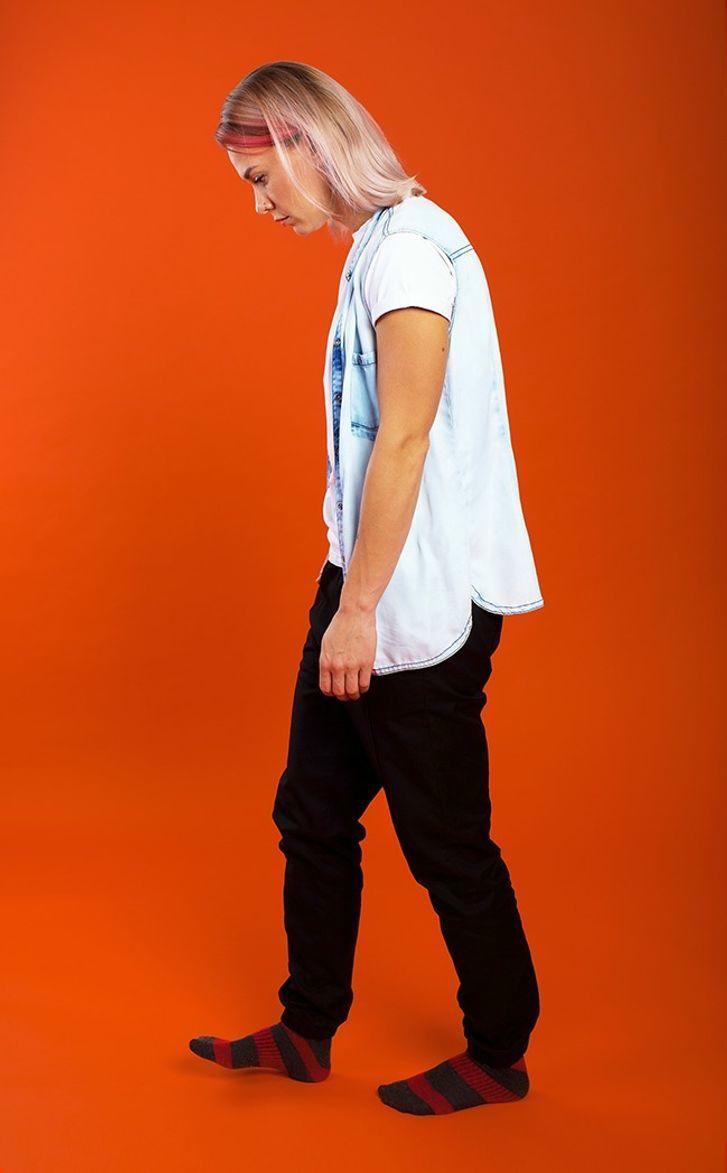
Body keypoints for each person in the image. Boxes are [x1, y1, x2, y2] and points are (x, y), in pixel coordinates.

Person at [189, 60, 544, 1116]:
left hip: (416, 602)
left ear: (306, 143)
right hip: (363, 579)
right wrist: (343, 591)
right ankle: (307, 1029)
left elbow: (404, 440)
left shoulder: (411, 255)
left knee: (445, 843)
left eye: (262, 180)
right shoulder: (378, 248)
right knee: (311, 812)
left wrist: (356, 613)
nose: (261, 207)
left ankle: (498, 1051)